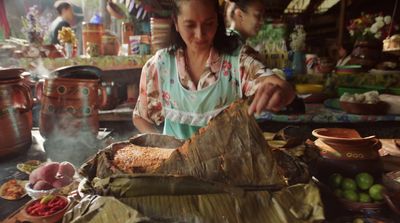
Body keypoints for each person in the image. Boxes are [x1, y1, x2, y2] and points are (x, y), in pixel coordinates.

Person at [132, 0, 295, 140]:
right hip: (176, 171)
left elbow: (281, 87)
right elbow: (140, 117)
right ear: (175, 22)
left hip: (228, 170)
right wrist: (163, 144)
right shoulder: (159, 67)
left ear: (218, 20)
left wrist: (279, 91)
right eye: (190, 25)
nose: (200, 35)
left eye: (208, 24)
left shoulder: (237, 62)